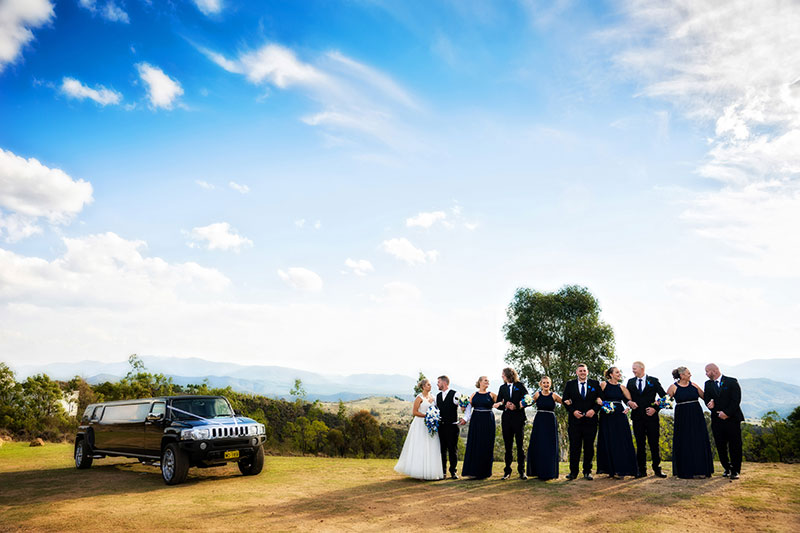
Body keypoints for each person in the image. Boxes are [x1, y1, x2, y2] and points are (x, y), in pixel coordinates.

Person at [667, 367, 714, 479]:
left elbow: (705, 398)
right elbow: (666, 401)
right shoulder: (673, 387)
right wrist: (656, 405)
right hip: (682, 417)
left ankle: (701, 469)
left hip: (696, 416)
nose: (690, 375)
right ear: (682, 375)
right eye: (688, 373)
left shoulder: (694, 385)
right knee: (684, 441)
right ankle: (685, 470)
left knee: (698, 440)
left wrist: (713, 401)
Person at [394, 379, 445, 480]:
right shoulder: (419, 398)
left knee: (431, 446)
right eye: (428, 385)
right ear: (423, 387)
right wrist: (426, 416)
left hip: (431, 425)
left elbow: (436, 410)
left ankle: (430, 471)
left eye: (430, 385)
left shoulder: (433, 397)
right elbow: (415, 412)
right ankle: (420, 472)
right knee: (420, 446)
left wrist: (433, 417)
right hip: (420, 424)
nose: (430, 386)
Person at [626, 361, 668, 478]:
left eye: (635, 368)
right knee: (640, 445)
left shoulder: (653, 381)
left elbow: (664, 397)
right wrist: (629, 402)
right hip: (637, 418)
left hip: (651, 418)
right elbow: (626, 397)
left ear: (642, 368)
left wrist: (655, 408)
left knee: (654, 444)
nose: (633, 371)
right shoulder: (630, 382)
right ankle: (641, 470)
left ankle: (657, 469)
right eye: (632, 368)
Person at [596, 367, 638, 478]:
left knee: (621, 441)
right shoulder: (604, 384)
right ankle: (610, 469)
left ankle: (622, 469)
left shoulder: (622, 387)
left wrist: (628, 408)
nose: (619, 374)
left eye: (619, 372)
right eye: (617, 372)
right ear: (610, 374)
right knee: (608, 440)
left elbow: (629, 401)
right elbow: (597, 398)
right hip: (607, 415)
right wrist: (600, 402)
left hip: (619, 415)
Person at [704, 363, 744, 480]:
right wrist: (709, 404)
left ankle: (736, 470)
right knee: (720, 445)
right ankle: (727, 468)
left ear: (714, 371)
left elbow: (736, 400)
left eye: (707, 371)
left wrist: (727, 413)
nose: (706, 374)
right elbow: (707, 398)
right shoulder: (708, 384)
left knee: (735, 446)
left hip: (732, 419)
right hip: (717, 420)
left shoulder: (731, 381)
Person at [562, 363, 601, 480]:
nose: (582, 373)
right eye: (580, 371)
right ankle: (573, 472)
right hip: (575, 422)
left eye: (584, 370)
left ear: (587, 372)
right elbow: (564, 400)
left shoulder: (595, 384)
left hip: (591, 421)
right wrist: (573, 411)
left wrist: (594, 411)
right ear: (576, 373)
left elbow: (600, 400)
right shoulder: (570, 384)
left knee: (589, 447)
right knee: (574, 447)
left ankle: (587, 472)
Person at [493, 367, 529, 480]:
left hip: (519, 419)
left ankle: (522, 471)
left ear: (508, 375)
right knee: (508, 447)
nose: (501, 376)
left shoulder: (520, 386)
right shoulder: (502, 388)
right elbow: (499, 403)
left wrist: (517, 406)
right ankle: (507, 471)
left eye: (503, 374)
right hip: (506, 420)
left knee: (520, 446)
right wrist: (506, 406)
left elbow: (528, 400)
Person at [525, 376, 561, 481]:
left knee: (549, 445)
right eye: (544, 383)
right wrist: (521, 403)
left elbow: (565, 402)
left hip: (550, 421)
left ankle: (549, 472)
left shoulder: (554, 395)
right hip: (539, 422)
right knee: (539, 444)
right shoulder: (537, 394)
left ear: (550, 384)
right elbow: (528, 403)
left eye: (548, 383)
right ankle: (537, 471)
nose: (546, 384)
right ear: (541, 384)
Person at [461, 376, 497, 479]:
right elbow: (468, 409)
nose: (487, 382)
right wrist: (465, 416)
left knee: (486, 444)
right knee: (475, 444)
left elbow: (501, 403)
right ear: (480, 382)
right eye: (485, 380)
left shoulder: (492, 395)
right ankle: (473, 472)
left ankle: (484, 472)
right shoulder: (474, 395)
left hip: (488, 421)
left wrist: (500, 403)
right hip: (476, 421)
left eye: (488, 381)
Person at [436, 375, 469, 479]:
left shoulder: (455, 394)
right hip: (441, 427)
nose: (437, 384)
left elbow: (465, 405)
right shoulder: (437, 396)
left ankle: (453, 471)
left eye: (439, 382)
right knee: (442, 450)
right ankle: (443, 472)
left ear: (444, 383)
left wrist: (465, 418)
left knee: (452, 450)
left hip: (452, 427)